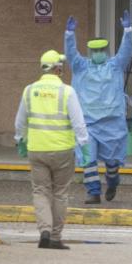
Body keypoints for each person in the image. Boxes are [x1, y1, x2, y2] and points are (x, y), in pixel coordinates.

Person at [14, 50, 91, 250]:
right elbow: (79, 123)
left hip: (37, 150)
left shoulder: (29, 90)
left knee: (40, 191)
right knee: (60, 193)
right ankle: (55, 237)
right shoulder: (67, 91)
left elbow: (20, 121)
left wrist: (19, 141)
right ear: (58, 68)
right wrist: (85, 146)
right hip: (62, 151)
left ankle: (44, 231)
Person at [64, 11, 132, 204]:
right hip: (89, 124)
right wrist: (69, 35)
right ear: (90, 52)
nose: (98, 54)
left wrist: (128, 30)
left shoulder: (115, 66)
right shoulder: (81, 66)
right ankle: (93, 192)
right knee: (89, 159)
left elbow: (126, 51)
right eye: (95, 51)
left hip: (113, 124)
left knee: (112, 163)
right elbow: (70, 54)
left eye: (101, 50)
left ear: (106, 50)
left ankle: (112, 182)